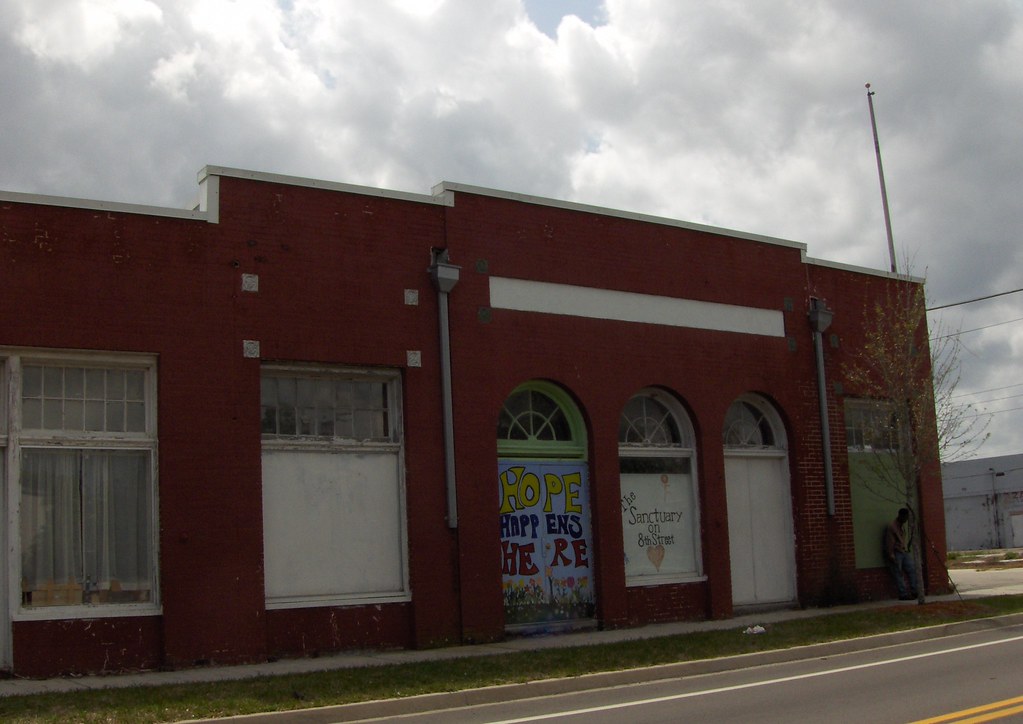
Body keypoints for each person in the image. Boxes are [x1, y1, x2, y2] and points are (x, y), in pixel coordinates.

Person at [884, 507, 918, 600]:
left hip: (903, 551)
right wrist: (891, 554)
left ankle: (914, 591)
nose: (906, 520)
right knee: (898, 573)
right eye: (906, 517)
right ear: (901, 516)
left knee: (911, 568)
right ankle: (903, 594)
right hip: (896, 551)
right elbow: (889, 542)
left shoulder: (902, 525)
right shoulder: (892, 527)